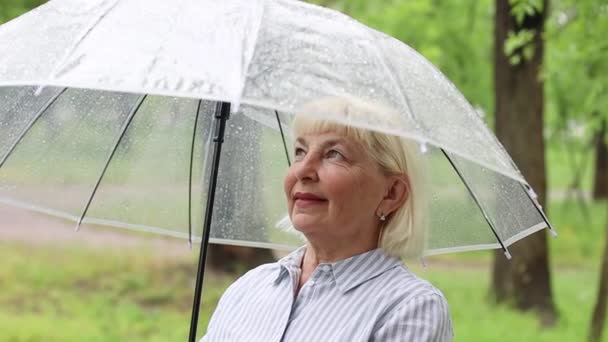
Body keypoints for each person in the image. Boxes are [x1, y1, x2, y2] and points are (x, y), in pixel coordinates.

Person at [202, 97, 454, 341]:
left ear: (391, 193)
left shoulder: (410, 309)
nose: (302, 170)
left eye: (334, 154)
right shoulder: (249, 287)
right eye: (300, 151)